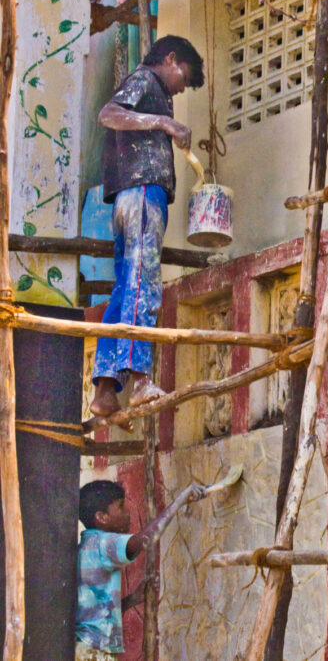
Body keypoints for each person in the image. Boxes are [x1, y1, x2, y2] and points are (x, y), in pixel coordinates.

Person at [90, 35, 204, 417]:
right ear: (170, 59)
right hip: (141, 194)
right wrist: (164, 122)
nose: (181, 86)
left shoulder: (154, 90)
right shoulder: (145, 80)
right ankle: (140, 380)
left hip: (127, 197)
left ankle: (105, 390)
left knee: (124, 290)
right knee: (144, 282)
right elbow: (108, 113)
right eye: (183, 76)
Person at [75, 479, 207, 660]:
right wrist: (181, 500)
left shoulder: (88, 545)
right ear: (102, 517)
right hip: (95, 651)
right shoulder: (103, 543)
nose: (127, 512)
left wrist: (131, 600)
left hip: (87, 648)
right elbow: (144, 540)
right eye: (121, 507)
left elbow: (97, 613)